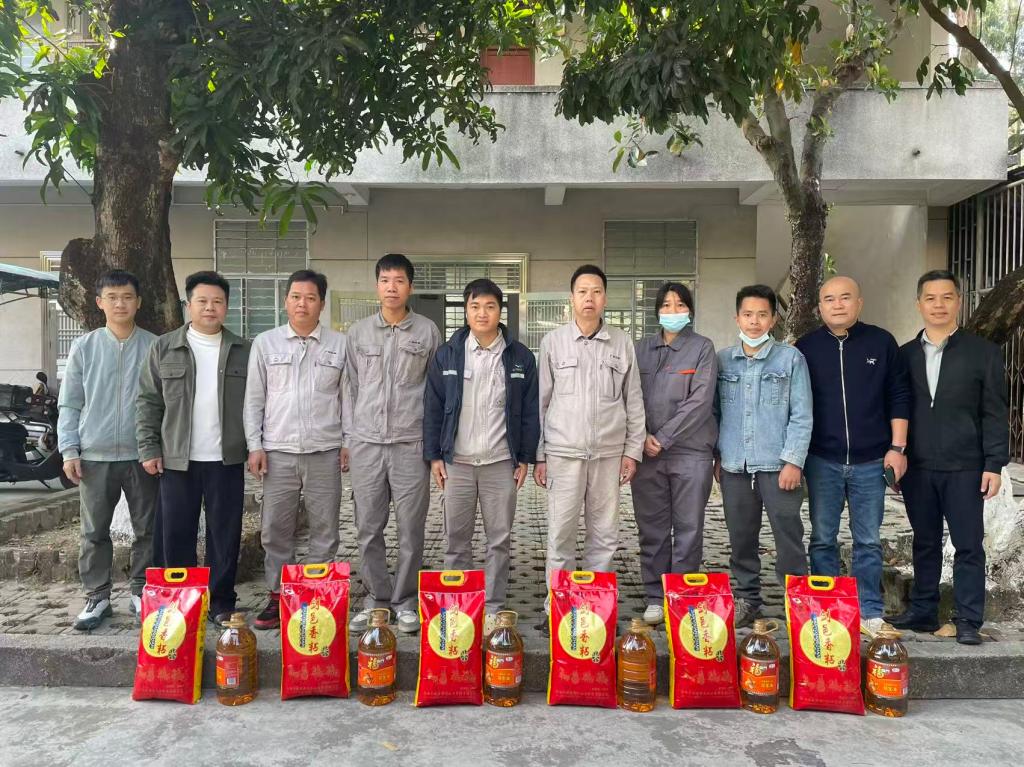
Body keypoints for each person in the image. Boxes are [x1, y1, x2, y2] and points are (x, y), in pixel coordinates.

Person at [886, 270, 1009, 645]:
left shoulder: (982, 353)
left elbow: (994, 412)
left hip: (965, 466)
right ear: (919, 304)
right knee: (924, 541)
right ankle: (923, 610)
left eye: (946, 297)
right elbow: (895, 408)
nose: (938, 305)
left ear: (958, 301)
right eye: (930, 298)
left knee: (968, 544)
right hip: (918, 466)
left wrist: (993, 464)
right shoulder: (904, 355)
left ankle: (968, 618)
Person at [795, 276, 911, 636]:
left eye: (845, 297)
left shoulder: (881, 342)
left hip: (872, 460)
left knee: (868, 541)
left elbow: (899, 395)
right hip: (822, 459)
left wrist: (897, 448)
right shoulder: (806, 348)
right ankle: (828, 608)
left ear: (859, 303)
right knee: (822, 538)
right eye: (829, 299)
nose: (838, 304)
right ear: (820, 307)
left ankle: (869, 610)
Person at [423, 278, 539, 635]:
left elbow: (529, 411)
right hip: (457, 462)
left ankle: (492, 606)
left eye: (490, 306)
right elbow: (433, 407)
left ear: (500, 311)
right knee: (456, 540)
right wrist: (434, 456)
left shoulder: (520, 357)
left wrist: (525, 457)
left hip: (499, 463)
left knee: (498, 540)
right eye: (475, 306)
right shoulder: (447, 354)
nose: (482, 313)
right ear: (466, 310)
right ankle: (458, 606)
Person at [534, 264, 645, 633]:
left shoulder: (621, 343)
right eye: (582, 291)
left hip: (608, 455)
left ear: (605, 299)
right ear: (571, 298)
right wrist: (540, 454)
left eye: (596, 291)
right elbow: (541, 401)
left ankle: (598, 606)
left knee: (605, 535)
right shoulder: (553, 343)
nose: (589, 298)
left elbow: (633, 400)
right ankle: (557, 604)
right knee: (560, 534)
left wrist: (632, 451)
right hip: (563, 454)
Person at [136, 271, 251, 627]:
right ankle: (179, 601)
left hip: (226, 458)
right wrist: (149, 448)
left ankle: (221, 602)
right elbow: (148, 401)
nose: (209, 308)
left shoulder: (243, 350)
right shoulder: (164, 347)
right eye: (202, 301)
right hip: (176, 459)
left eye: (217, 301)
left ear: (227, 306)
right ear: (188, 304)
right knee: (175, 533)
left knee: (225, 534)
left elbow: (257, 404)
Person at [244, 269, 346, 630]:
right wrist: (255, 445)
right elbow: (254, 398)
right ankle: (278, 595)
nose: (303, 304)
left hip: (325, 451)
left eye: (311, 298)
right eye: (296, 297)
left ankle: (315, 595)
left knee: (325, 529)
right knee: (275, 529)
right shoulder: (266, 343)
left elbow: (348, 398)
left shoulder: (339, 345)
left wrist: (347, 442)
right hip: (278, 452)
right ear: (285, 301)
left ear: (322, 304)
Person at [344, 254, 441, 634]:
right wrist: (350, 439)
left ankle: (405, 599)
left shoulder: (427, 332)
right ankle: (376, 598)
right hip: (367, 444)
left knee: (411, 528)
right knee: (368, 526)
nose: (391, 288)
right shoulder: (359, 333)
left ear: (410, 287)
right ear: (377, 286)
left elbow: (435, 391)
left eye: (399, 281)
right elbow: (351, 388)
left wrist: (432, 446)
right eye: (385, 280)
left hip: (410, 443)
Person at [57, 270, 158, 631]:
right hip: (94, 456)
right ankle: (97, 596)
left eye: (127, 297)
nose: (120, 304)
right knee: (94, 531)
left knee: (148, 529)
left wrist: (157, 447)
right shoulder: (84, 347)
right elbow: (70, 402)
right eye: (112, 297)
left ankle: (142, 591)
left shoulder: (154, 346)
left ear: (138, 302)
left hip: (142, 456)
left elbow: (162, 403)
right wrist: (69, 449)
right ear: (100, 302)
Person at [715, 284, 813, 628]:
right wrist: (717, 457)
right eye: (748, 314)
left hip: (778, 465)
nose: (754, 322)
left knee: (788, 536)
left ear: (773, 319)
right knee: (741, 538)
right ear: (737, 318)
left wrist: (793, 461)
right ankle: (748, 599)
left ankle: (796, 601)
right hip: (735, 466)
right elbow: (714, 413)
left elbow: (802, 414)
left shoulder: (790, 359)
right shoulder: (723, 360)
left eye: (762, 315)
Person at [631, 282, 717, 625]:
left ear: (690, 310)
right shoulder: (640, 349)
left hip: (690, 453)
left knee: (688, 528)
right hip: (647, 454)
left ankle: (681, 595)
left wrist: (663, 437)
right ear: (657, 311)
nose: (672, 311)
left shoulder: (702, 348)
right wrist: (641, 436)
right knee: (651, 528)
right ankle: (655, 595)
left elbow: (700, 401)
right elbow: (627, 396)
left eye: (680, 304)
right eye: (666, 305)